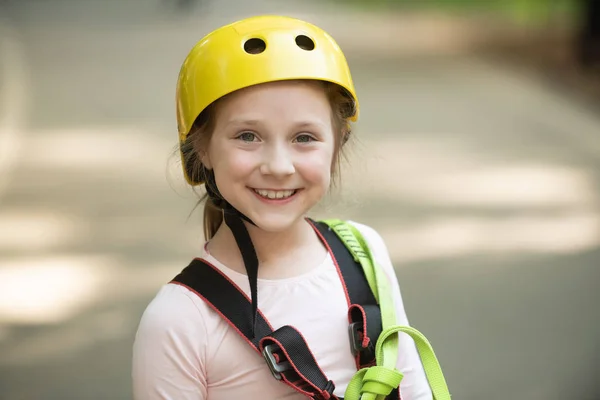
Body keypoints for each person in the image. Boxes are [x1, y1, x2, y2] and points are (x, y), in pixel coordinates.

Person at [132, 15, 436, 400]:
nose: (278, 166)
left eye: (304, 137)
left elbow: (411, 388)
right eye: (248, 136)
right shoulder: (178, 321)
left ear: (338, 143)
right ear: (203, 146)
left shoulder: (363, 252)